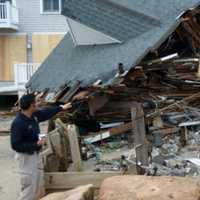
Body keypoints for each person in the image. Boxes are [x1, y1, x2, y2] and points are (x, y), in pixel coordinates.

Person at [10, 94, 71, 200]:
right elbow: (15, 145)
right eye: (37, 101)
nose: (39, 103)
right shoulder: (18, 123)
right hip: (26, 157)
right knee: (29, 186)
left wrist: (61, 108)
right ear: (31, 105)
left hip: (35, 154)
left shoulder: (33, 115)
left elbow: (46, 113)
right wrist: (35, 144)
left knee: (38, 182)